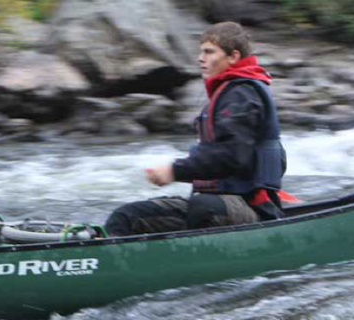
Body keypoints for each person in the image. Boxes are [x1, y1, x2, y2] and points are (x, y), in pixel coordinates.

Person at [104, 21, 288, 236]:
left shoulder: (241, 95)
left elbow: (230, 156)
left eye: (209, 52)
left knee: (204, 207)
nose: (201, 58)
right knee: (127, 216)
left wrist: (174, 170)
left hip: (253, 208)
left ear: (233, 57)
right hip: (224, 204)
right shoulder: (233, 93)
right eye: (201, 52)